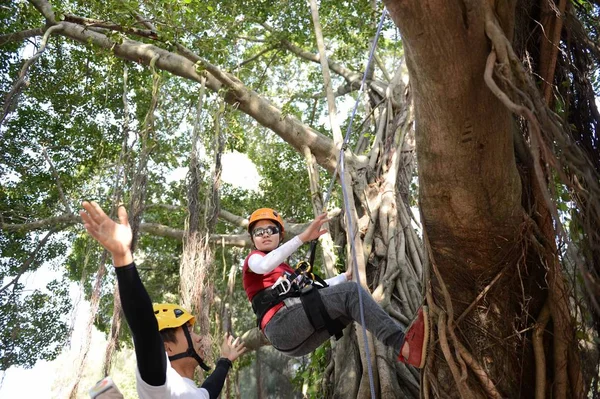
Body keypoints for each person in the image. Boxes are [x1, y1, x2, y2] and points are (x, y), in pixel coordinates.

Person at [80, 201, 247, 399]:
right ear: (166, 348)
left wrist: (225, 360)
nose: (200, 338)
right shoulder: (161, 383)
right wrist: (123, 257)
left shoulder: (192, 392)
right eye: (190, 332)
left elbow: (210, 390)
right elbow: (145, 329)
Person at [242, 207, 429, 368]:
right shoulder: (254, 259)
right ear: (253, 238)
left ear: (280, 235)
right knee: (351, 292)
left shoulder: (285, 270)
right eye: (259, 232)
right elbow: (264, 265)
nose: (265, 234)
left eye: (271, 229)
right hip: (281, 325)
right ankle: (405, 347)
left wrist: (344, 277)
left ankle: (407, 348)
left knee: (349, 306)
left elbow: (314, 289)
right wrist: (303, 237)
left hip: (296, 339)